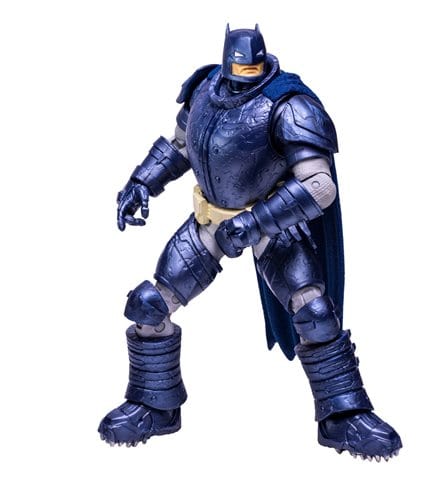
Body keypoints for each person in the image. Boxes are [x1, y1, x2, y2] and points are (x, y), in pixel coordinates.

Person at [98, 25, 402, 461]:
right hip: (210, 219)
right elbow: (181, 146)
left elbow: (318, 185)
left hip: (273, 226)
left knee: (315, 313)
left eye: (251, 69)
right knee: (149, 305)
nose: (245, 75)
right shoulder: (204, 89)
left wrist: (257, 222)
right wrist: (141, 182)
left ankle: (344, 414)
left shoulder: (288, 105)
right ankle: (154, 404)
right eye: (239, 69)